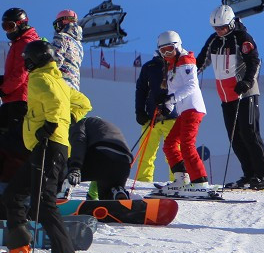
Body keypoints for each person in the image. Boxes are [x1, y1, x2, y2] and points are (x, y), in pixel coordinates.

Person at [0, 41, 91, 253]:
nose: (26, 63)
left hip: (48, 146)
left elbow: (55, 102)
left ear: (38, 58)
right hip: (43, 148)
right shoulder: (58, 81)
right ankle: (19, 250)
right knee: (13, 194)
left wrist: (51, 126)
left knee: (44, 202)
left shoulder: (40, 79)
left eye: (28, 58)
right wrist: (65, 119)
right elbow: (84, 103)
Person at [196, 5, 264, 190]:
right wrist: (189, 74)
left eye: (223, 27)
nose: (219, 31)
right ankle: (250, 175)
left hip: (245, 93)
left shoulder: (242, 38)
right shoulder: (214, 40)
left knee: (250, 134)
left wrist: (248, 82)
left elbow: (254, 61)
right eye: (216, 28)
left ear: (232, 23)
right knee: (235, 137)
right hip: (226, 97)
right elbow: (201, 62)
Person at [156, 30, 214, 197]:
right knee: (170, 144)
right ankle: (182, 178)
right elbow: (175, 91)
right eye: (163, 51)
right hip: (183, 111)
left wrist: (171, 99)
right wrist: (166, 107)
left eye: (169, 49)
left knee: (187, 144)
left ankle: (200, 182)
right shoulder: (171, 65)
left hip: (193, 109)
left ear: (177, 46)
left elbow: (191, 86)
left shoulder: (185, 61)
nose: (167, 54)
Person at [0, 8, 41, 181]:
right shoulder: (19, 42)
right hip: (12, 98)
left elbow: (21, 74)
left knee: (13, 142)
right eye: (4, 27)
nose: (8, 31)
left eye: (10, 26)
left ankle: (11, 180)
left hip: (20, 99)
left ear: (21, 24)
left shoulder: (26, 43)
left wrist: (3, 89)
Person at [133, 50, 177, 183]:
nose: (166, 53)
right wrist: (139, 111)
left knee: (174, 151)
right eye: (163, 50)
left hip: (172, 117)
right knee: (146, 152)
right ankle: (143, 180)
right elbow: (141, 90)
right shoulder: (150, 67)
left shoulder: (177, 65)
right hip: (151, 117)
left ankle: (178, 180)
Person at [66, 115, 133, 200]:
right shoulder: (106, 126)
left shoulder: (80, 124)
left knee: (59, 168)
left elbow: (79, 142)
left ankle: (62, 195)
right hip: (124, 164)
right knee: (107, 198)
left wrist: (75, 167)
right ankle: (117, 191)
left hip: (101, 157)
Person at [51, 9, 84, 90]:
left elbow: (55, 59)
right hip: (74, 85)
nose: (56, 28)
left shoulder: (62, 37)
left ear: (64, 22)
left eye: (57, 25)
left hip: (62, 82)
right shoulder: (79, 45)